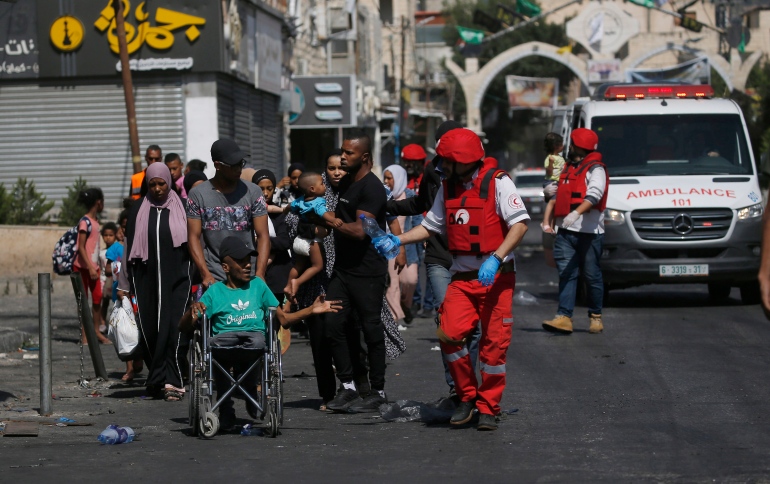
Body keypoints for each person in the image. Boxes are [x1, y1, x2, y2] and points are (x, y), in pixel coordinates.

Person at [376, 128, 530, 431]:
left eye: (446, 161)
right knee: (448, 334)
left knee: (493, 348)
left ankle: (489, 407)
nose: (440, 166)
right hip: (462, 277)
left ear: (463, 160)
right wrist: (399, 240)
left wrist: (496, 257)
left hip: (496, 278)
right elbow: (430, 227)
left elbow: (520, 225)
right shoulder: (447, 188)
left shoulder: (499, 182)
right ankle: (466, 396)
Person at [179, 236, 343, 430]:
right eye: (241, 262)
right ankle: (226, 409)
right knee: (217, 354)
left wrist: (311, 310)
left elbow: (284, 320)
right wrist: (192, 311)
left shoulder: (258, 286)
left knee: (257, 346)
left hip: (253, 341)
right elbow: (183, 327)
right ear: (225, 267)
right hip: (222, 342)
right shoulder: (215, 292)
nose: (247, 265)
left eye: (249, 261)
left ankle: (249, 388)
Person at [386, 120, 481, 396]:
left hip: (473, 259)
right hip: (440, 258)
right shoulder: (433, 172)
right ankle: (458, 387)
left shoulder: (482, 175)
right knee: (449, 324)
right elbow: (425, 209)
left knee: (473, 328)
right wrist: (386, 206)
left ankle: (470, 385)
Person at [322, 132, 394, 414]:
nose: (342, 158)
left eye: (348, 154)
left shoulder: (372, 188)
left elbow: (360, 231)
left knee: (371, 329)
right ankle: (349, 386)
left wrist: (329, 220)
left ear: (364, 157)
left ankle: (377, 390)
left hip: (368, 271)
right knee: (333, 325)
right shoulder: (348, 183)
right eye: (342, 152)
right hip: (343, 270)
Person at [118, 163, 191, 401]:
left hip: (177, 277)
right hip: (145, 278)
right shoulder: (139, 209)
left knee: (174, 329)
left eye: (162, 183)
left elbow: (195, 241)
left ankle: (173, 380)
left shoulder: (182, 207)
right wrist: (124, 283)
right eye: (153, 184)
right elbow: (128, 248)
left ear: (169, 182)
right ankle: (157, 376)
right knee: (150, 330)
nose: (158, 189)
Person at [541, 128, 608, 335]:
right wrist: (549, 191)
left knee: (591, 275)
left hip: (590, 233)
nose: (569, 147)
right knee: (567, 273)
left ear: (580, 147)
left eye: (572, 144)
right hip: (565, 233)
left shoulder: (596, 169)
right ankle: (564, 317)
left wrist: (576, 213)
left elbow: (595, 194)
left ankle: (595, 316)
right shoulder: (568, 167)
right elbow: (559, 190)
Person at [186, 139, 270, 288]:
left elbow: (263, 235)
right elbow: (193, 237)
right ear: (218, 165)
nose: (239, 169)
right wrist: (205, 274)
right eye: (234, 165)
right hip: (215, 277)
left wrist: (260, 274)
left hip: (247, 276)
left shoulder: (253, 192)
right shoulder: (198, 195)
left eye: (241, 163)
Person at [284, 172, 343, 301]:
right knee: (317, 266)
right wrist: (333, 221)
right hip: (312, 241)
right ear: (312, 189)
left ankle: (288, 285)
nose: (325, 186)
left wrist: (283, 210)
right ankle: (297, 282)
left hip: (299, 239)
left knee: (298, 265)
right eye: (322, 184)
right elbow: (324, 214)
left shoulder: (300, 200)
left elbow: (289, 207)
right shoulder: (318, 202)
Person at [104, 220, 144, 382]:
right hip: (121, 294)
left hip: (138, 294)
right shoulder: (115, 248)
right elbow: (107, 270)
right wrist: (117, 267)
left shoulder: (142, 243)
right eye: (124, 227)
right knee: (124, 329)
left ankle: (139, 357)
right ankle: (129, 367)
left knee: (138, 327)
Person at [382, 164, 421, 324]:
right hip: (387, 247)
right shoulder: (382, 195)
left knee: (410, 280)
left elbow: (419, 221)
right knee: (393, 284)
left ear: (398, 179)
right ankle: (394, 318)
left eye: (389, 178)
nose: (386, 181)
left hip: (409, 247)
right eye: (385, 177)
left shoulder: (410, 196)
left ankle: (405, 305)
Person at [75, 188, 111, 345]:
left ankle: (96, 331)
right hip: (83, 268)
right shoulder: (85, 222)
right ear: (99, 202)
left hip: (94, 268)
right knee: (84, 301)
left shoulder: (95, 223)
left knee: (97, 299)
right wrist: (89, 267)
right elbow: (80, 247)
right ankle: (85, 335)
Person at [252, 169, 292, 304]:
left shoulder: (278, 213)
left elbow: (284, 241)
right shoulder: (247, 213)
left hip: (277, 275)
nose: (265, 193)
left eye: (269, 189)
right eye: (261, 189)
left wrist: (261, 242)